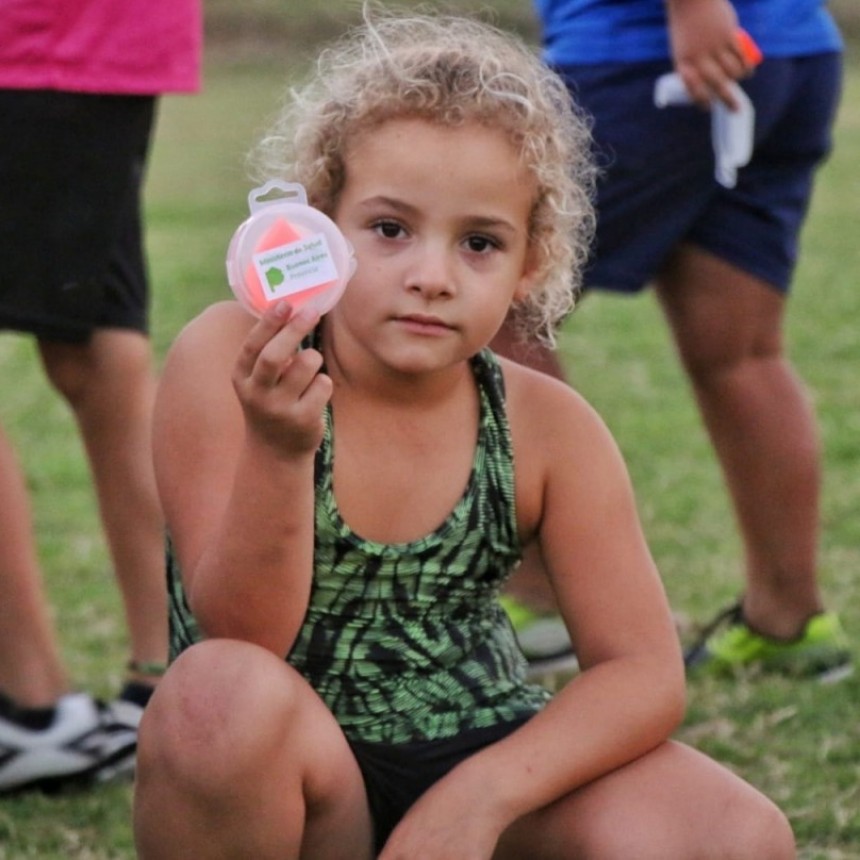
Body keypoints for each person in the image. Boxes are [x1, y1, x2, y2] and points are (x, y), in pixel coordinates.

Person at [133, 11, 796, 858]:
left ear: (530, 266)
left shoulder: (546, 425)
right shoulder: (233, 359)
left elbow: (643, 674)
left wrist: (474, 803)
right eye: (389, 229)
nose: (431, 277)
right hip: (295, 781)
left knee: (737, 830)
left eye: (479, 243)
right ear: (317, 226)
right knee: (212, 695)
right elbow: (239, 637)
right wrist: (278, 449)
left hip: (480, 762)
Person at [495, 0, 852, 681]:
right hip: (789, 50)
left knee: (488, 311)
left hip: (656, 57)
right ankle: (788, 621)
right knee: (741, 351)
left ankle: (542, 609)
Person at [0, 0, 201, 793]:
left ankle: (34, 708)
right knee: (94, 340)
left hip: (40, 39)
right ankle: (166, 682)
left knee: (96, 346)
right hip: (82, 40)